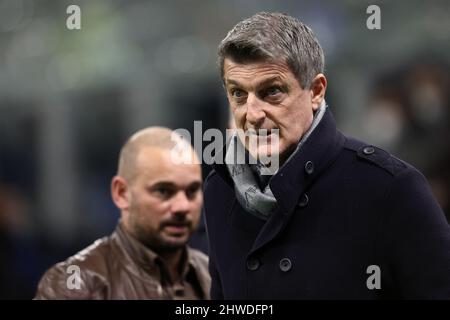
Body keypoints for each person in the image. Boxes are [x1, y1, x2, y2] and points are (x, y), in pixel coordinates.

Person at [203, 12, 450, 299]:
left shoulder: (389, 188)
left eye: (271, 91)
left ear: (316, 91)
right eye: (238, 94)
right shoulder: (220, 190)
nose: (253, 114)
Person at [35, 127, 210, 299]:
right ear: (121, 193)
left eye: (192, 191)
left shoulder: (214, 275)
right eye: (163, 191)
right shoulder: (77, 285)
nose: (182, 206)